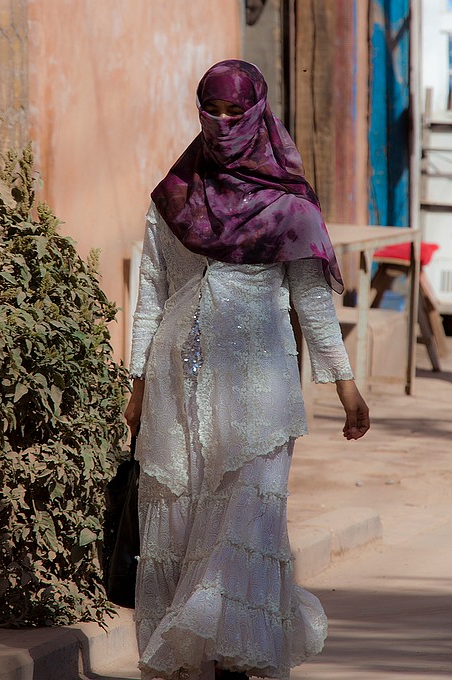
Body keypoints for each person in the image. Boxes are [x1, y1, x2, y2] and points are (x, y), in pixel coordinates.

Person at [124, 59, 369, 680]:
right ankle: (187, 660)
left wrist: (345, 387)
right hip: (176, 385)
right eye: (212, 109)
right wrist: (137, 385)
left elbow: (313, 301)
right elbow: (150, 294)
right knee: (181, 516)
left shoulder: (291, 209)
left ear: (258, 112)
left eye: (236, 110)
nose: (224, 121)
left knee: (246, 522)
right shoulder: (172, 198)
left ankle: (235, 658)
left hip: (261, 392)